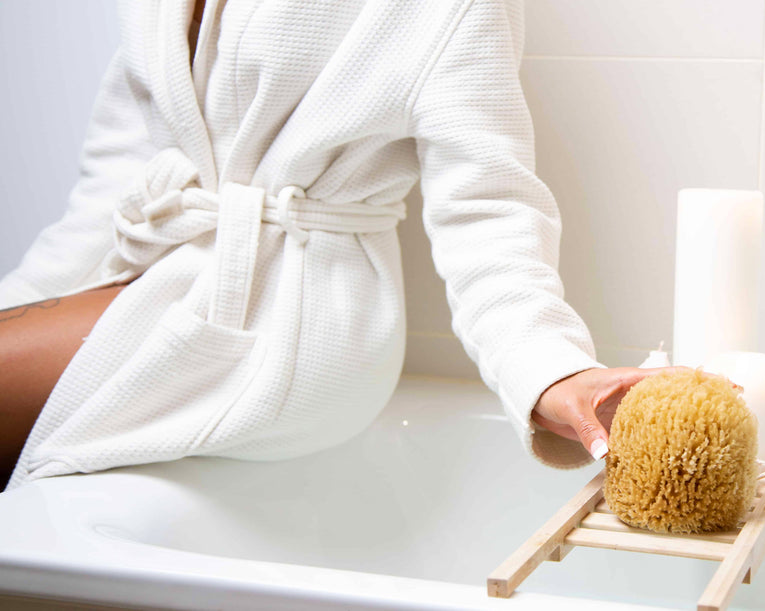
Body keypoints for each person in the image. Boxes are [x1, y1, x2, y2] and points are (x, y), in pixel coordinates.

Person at [0, 0, 680, 490]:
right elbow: (117, 178)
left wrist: (549, 368)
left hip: (298, 323)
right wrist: (21, 302)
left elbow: (487, 207)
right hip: (169, 270)